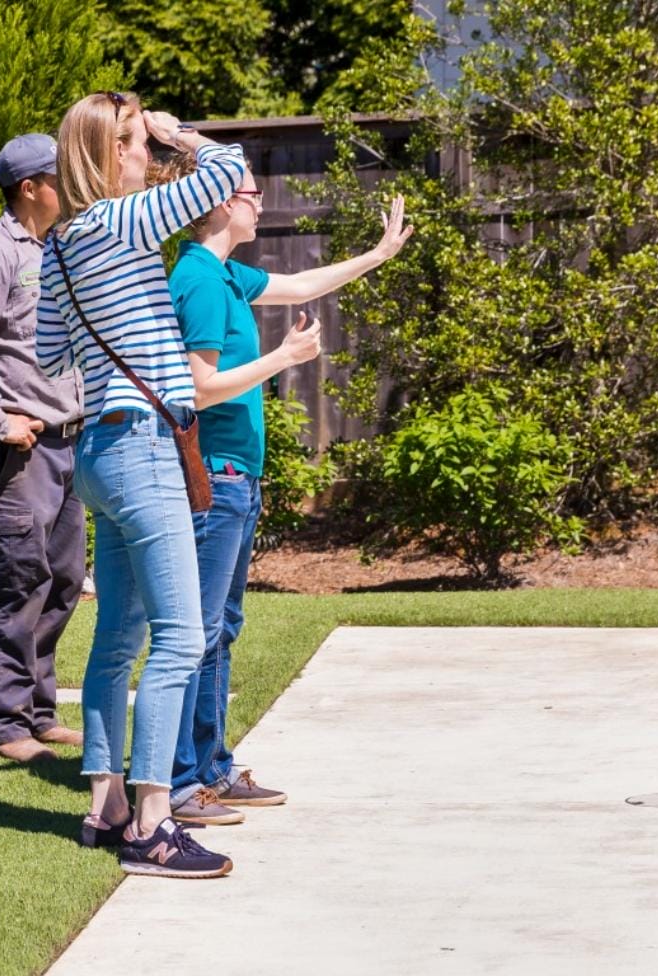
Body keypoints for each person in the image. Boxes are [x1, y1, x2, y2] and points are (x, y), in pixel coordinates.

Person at [157, 158, 413, 826]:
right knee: (200, 632)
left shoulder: (224, 276)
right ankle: (183, 784)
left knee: (222, 628)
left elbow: (300, 280)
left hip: (237, 481)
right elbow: (199, 388)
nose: (260, 201)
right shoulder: (201, 282)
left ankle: (211, 767)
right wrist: (283, 360)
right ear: (219, 203)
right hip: (215, 480)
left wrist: (378, 254)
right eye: (251, 193)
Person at [35, 91, 248, 878]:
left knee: (118, 638)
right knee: (183, 637)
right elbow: (226, 172)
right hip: (144, 448)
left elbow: (48, 353)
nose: (146, 156)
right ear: (104, 154)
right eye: (133, 143)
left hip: (99, 448)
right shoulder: (119, 222)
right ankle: (154, 823)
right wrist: (178, 132)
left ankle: (105, 801)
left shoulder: (59, 246)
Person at [0, 133, 87, 764]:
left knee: (61, 580)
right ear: (30, 187)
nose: (71, 186)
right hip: (20, 451)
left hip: (72, 444)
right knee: (15, 581)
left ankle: (38, 710)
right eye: (60, 178)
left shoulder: (62, 247)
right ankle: (5, 723)